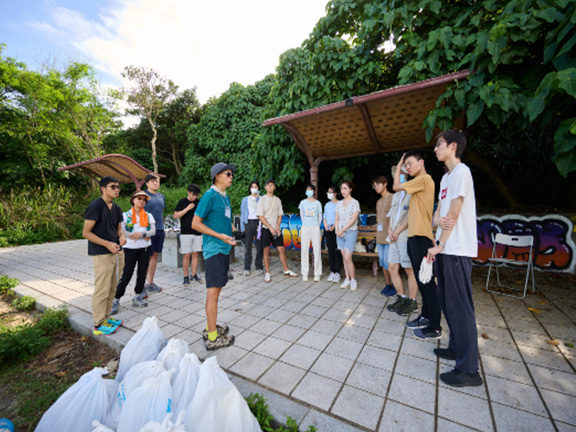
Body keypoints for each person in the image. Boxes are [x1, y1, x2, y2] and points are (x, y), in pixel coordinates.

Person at [427, 129, 482, 387]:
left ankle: (469, 370)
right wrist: (439, 228)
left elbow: (455, 212)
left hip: (456, 248)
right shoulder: (446, 177)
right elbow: (438, 215)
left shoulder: (462, 172)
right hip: (445, 248)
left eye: (439, 144)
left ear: (452, 146)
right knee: (447, 303)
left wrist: (440, 243)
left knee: (461, 307)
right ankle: (456, 347)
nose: (436, 149)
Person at [393, 149, 442, 340]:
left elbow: (396, 185)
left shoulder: (424, 180)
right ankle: (425, 316)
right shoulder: (418, 186)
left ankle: (435, 327)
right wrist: (398, 230)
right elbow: (412, 215)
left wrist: (398, 167)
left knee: (427, 283)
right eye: (406, 165)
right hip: (415, 237)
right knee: (423, 282)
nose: (408, 167)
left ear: (421, 162)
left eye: (410, 164)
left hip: (421, 238)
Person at [192, 162, 237, 350]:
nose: (231, 176)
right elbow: (195, 223)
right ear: (216, 176)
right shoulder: (209, 196)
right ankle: (212, 337)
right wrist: (220, 236)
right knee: (213, 295)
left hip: (223, 249)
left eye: (231, 174)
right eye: (227, 173)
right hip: (214, 251)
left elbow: (222, 220)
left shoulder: (224, 197)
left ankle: (211, 326)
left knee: (216, 293)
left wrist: (232, 230)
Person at [82, 176, 126, 335]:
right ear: (103, 188)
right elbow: (86, 233)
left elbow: (119, 229)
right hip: (101, 253)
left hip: (116, 251)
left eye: (118, 187)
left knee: (113, 285)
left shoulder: (117, 208)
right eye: (113, 186)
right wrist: (107, 243)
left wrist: (122, 237)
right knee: (102, 287)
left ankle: (106, 317)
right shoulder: (95, 206)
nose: (116, 189)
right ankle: (98, 323)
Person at [111, 190, 156, 314]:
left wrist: (141, 234)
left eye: (143, 199)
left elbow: (152, 231)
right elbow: (123, 231)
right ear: (133, 200)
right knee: (127, 274)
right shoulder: (125, 215)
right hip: (130, 249)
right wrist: (143, 235)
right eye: (139, 198)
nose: (141, 201)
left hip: (145, 248)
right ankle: (116, 299)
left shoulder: (148, 215)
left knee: (142, 274)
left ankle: (137, 296)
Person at [385, 166, 418, 317]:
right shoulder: (396, 195)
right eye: (399, 174)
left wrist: (397, 231)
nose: (400, 176)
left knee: (409, 269)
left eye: (403, 173)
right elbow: (391, 216)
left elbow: (411, 216)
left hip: (405, 235)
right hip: (393, 235)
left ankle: (412, 301)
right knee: (392, 267)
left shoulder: (413, 192)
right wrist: (390, 230)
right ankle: (401, 297)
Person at [257, 179, 298, 282]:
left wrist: (277, 227)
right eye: (268, 185)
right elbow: (260, 216)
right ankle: (267, 272)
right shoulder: (262, 200)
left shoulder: (277, 200)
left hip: (276, 229)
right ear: (265, 187)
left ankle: (286, 269)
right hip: (266, 229)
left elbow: (280, 215)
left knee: (281, 249)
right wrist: (270, 227)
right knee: (266, 250)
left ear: (274, 187)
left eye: (272, 185)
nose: (270, 187)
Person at [174, 184, 203, 286]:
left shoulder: (199, 203)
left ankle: (194, 275)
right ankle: (185, 276)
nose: (194, 197)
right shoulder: (182, 202)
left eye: (196, 195)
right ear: (188, 192)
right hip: (186, 232)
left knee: (195, 254)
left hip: (198, 232)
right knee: (186, 254)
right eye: (193, 195)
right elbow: (176, 215)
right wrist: (187, 208)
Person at [335, 180, 361, 291]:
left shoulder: (355, 203)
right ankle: (347, 278)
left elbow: (353, 219)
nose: (343, 191)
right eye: (342, 188)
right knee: (343, 257)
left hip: (350, 232)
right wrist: (337, 230)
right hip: (339, 233)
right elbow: (337, 218)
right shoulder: (339, 203)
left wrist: (342, 229)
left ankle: (353, 279)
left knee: (347, 257)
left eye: (345, 188)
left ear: (350, 189)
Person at [372, 175, 395, 296]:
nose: (375, 187)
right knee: (382, 263)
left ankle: (395, 285)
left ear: (385, 184)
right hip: (380, 237)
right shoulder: (378, 202)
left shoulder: (393, 198)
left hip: (390, 238)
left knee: (389, 263)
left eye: (378, 184)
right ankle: (388, 284)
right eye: (374, 186)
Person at [143, 173, 165, 294]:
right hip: (148, 231)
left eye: (157, 181)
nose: (155, 183)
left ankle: (150, 282)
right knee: (146, 257)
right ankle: (142, 284)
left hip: (160, 230)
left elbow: (160, 211)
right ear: (147, 183)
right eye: (152, 181)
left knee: (155, 256)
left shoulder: (161, 196)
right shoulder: (143, 196)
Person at [298, 184, 323, 281]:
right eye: (307, 189)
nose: (309, 191)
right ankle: (305, 273)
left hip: (315, 227)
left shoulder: (318, 203)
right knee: (304, 250)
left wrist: (317, 224)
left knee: (317, 250)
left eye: (311, 189)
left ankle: (317, 273)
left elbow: (320, 216)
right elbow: (302, 215)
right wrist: (305, 224)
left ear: (314, 191)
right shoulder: (303, 203)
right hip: (305, 227)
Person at [240, 181, 264, 276]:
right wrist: (243, 228)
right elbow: (243, 213)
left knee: (259, 246)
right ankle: (247, 267)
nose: (254, 188)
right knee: (248, 246)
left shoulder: (261, 199)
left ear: (258, 188)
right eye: (252, 187)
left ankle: (259, 266)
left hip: (259, 223)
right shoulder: (245, 200)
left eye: (256, 186)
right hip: (249, 223)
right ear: (250, 188)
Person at [323, 185, 342, 283]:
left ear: (335, 194)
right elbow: (325, 216)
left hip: (336, 229)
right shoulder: (327, 205)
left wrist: (335, 225)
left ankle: (337, 272)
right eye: (328, 192)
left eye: (331, 192)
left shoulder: (340, 204)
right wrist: (326, 225)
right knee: (330, 251)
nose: (329, 194)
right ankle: (332, 271)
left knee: (337, 251)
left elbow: (340, 217)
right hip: (328, 229)